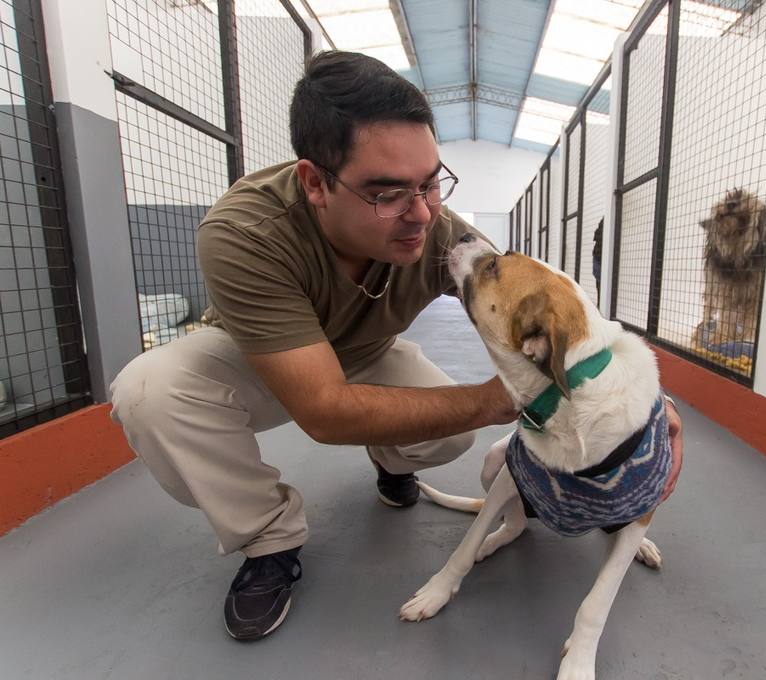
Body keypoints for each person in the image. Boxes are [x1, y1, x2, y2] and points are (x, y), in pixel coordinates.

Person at [109, 50, 683, 642]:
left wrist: (647, 409)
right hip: (259, 357)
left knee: (450, 434)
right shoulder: (245, 233)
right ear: (315, 182)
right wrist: (495, 401)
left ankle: (390, 459)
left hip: (367, 353)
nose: (422, 213)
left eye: (431, 181)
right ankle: (269, 539)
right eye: (387, 194)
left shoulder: (439, 227)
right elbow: (323, 411)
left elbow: (535, 311)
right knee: (149, 392)